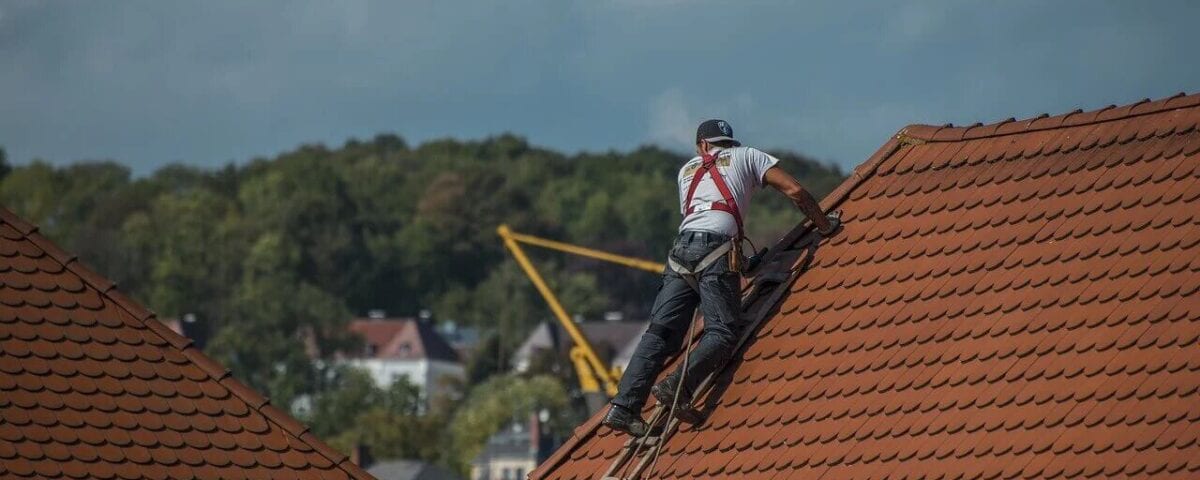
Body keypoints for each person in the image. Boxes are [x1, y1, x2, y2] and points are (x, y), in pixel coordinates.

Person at [601, 119, 840, 436]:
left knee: (659, 333)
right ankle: (678, 387)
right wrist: (824, 225)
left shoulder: (686, 171)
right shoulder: (748, 155)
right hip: (716, 250)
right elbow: (795, 190)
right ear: (728, 143)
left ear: (702, 146)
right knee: (723, 331)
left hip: (680, 254)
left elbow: (701, 214)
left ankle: (623, 407)